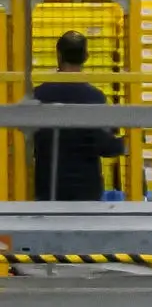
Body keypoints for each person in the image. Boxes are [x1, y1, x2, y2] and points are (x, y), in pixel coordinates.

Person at [30, 32, 121, 201]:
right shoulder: (95, 97)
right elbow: (105, 146)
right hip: (86, 191)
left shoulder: (39, 94)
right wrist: (124, 144)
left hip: (48, 189)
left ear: (58, 55)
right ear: (86, 57)